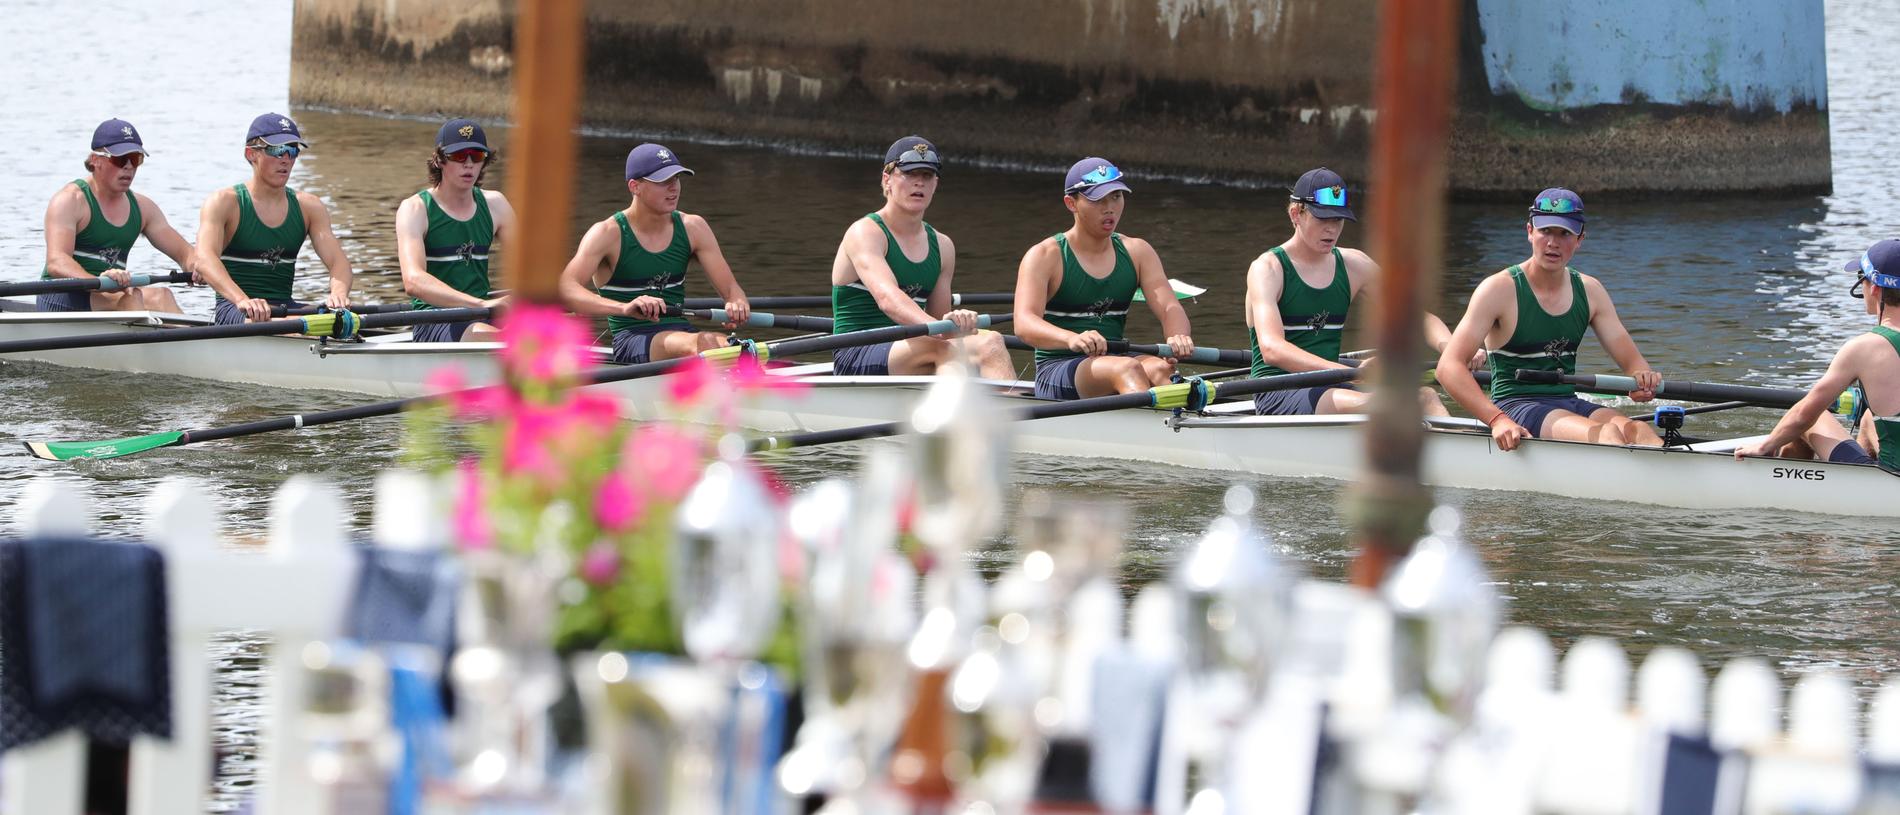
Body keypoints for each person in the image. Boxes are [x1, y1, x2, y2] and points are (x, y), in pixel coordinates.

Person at [1436, 188, 1664, 451]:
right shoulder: (1498, 290)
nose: (1553, 243)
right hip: (1515, 406)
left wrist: (1641, 381)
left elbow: (1633, 364)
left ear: (1580, 239)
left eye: (1564, 233)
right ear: (1530, 232)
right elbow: (1448, 368)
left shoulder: (1591, 292)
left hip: (1567, 400)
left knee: (1639, 430)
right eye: (1545, 231)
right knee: (1606, 434)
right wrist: (1497, 420)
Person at [1244, 167, 1477, 416]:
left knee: (1426, 395)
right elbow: (1271, 348)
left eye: (1338, 219)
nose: (1332, 229)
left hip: (1332, 385)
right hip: (1279, 392)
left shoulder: (1355, 265)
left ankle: (1464, 451)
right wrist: (1347, 372)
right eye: (1323, 219)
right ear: (1295, 214)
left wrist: (1453, 349)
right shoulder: (1267, 269)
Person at [828, 136, 1012, 378]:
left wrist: (953, 321)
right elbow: (888, 299)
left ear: (935, 184)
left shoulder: (943, 246)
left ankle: (1015, 411)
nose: (919, 183)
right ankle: (958, 412)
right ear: (887, 179)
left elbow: (938, 320)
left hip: (914, 348)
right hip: (857, 352)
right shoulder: (866, 232)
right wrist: (943, 330)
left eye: (926, 176)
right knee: (947, 348)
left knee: (992, 342)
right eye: (909, 174)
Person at [1013, 157, 1195, 400]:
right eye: (1098, 200)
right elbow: (1024, 323)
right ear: (1071, 203)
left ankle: (1176, 423)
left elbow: (1169, 306)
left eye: (1117, 196)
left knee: (1161, 369)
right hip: (1058, 367)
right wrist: (1073, 339)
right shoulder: (1045, 256)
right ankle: (1153, 430)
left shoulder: (1138, 252)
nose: (1110, 207)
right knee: (1127, 369)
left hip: (1114, 358)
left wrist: (1177, 336)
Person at [559, 143, 749, 363]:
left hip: (682, 331)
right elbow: (566, 288)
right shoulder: (607, 234)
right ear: (635, 186)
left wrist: (736, 303)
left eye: (676, 178)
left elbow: (732, 289)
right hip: (633, 337)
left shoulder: (693, 228)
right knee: (705, 343)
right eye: (663, 181)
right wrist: (624, 307)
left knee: (730, 348)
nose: (674, 188)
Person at [1733, 239, 1900, 470]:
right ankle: (1864, 471)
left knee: (1813, 419)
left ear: (1874, 287)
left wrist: (1765, 445)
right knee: (1868, 419)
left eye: (1862, 277)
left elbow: (1804, 414)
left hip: (1894, 481)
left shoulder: (1865, 348)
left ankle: (1788, 490)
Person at [193, 113, 353, 324]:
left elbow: (338, 262)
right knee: (297, 328)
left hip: (285, 307)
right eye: (277, 150)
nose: (286, 159)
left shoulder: (310, 207)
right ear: (251, 154)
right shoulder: (223, 202)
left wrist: (338, 294)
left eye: (292, 150)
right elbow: (205, 260)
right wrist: (242, 300)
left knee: (342, 323)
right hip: (235, 308)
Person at [38, 118, 194, 313]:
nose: (129, 167)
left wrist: (197, 267)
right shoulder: (70, 201)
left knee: (161, 296)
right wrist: (99, 284)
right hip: (62, 295)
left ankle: (194, 342)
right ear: (95, 160)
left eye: (135, 159)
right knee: (132, 298)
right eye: (120, 159)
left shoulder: (143, 208)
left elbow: (186, 254)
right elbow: (57, 262)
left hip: (111, 295)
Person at [394, 118, 516, 342]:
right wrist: (481, 304)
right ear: (439, 160)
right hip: (435, 321)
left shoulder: (496, 205)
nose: (469, 164)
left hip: (482, 316)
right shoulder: (415, 209)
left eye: (477, 156)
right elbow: (413, 280)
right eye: (460, 156)